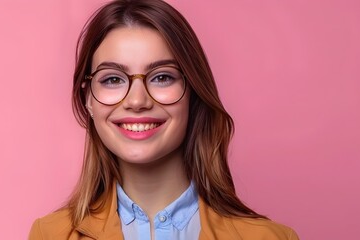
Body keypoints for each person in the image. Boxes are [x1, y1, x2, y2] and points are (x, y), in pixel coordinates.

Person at [29, 0, 298, 239]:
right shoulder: (50, 235)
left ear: (193, 92)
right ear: (88, 99)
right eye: (112, 79)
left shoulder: (271, 238)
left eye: (161, 77)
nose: (137, 101)